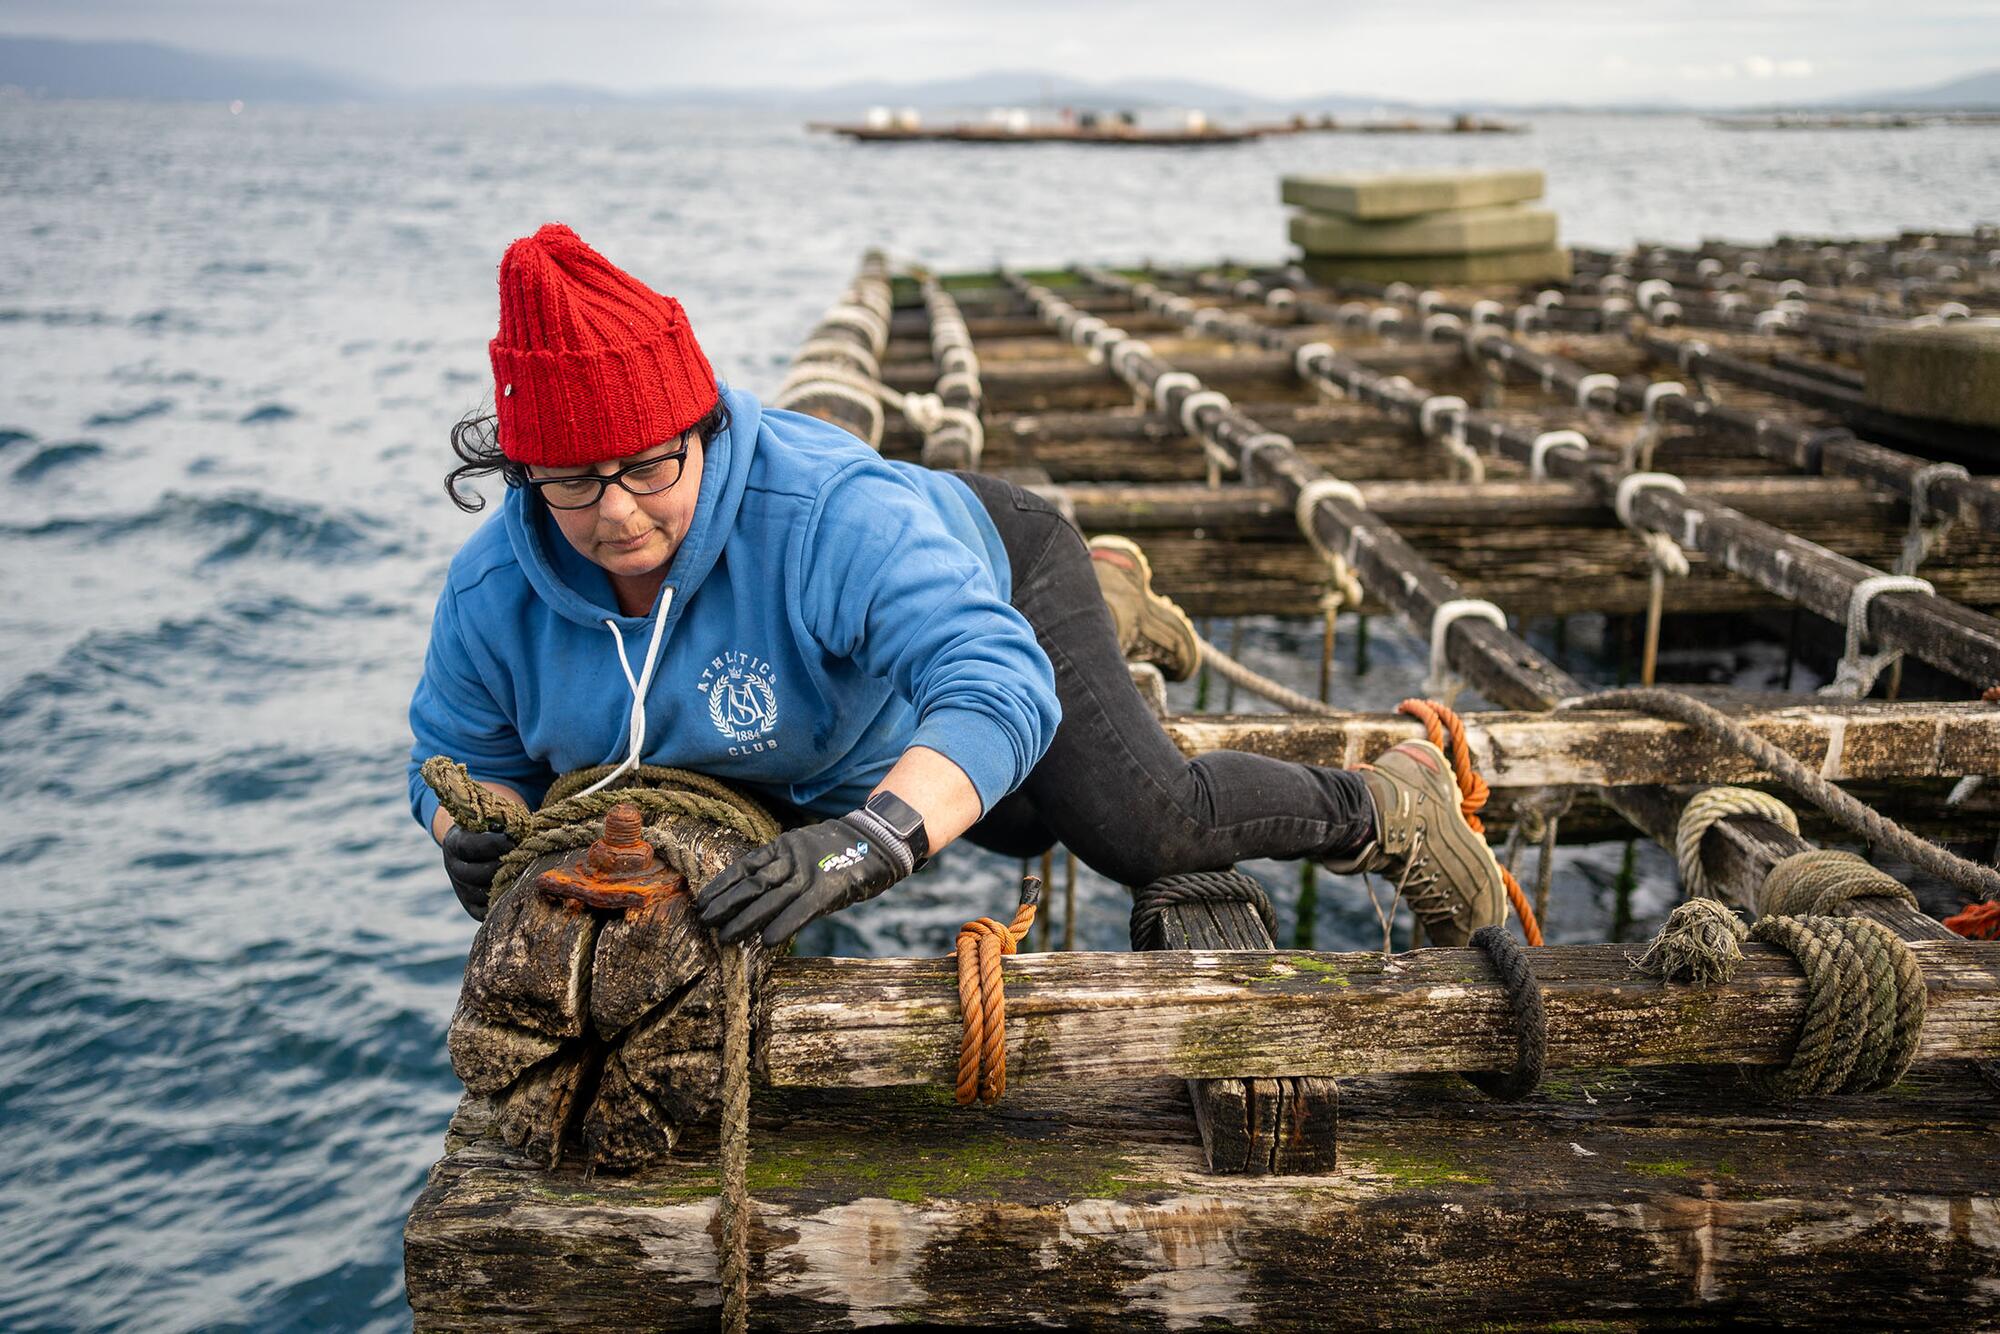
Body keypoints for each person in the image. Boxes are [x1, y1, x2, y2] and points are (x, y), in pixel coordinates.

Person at [410, 223, 1508, 951]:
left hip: (1001, 564)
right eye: (569, 482)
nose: (617, 512)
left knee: (1141, 827)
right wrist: (479, 826)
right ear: (520, 474)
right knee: (1024, 823)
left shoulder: (823, 511)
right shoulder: (489, 594)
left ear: (705, 432)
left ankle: (1386, 803)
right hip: (816, 739)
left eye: (652, 467)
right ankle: (1119, 602)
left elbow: (988, 684)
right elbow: (457, 755)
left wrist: (863, 842)